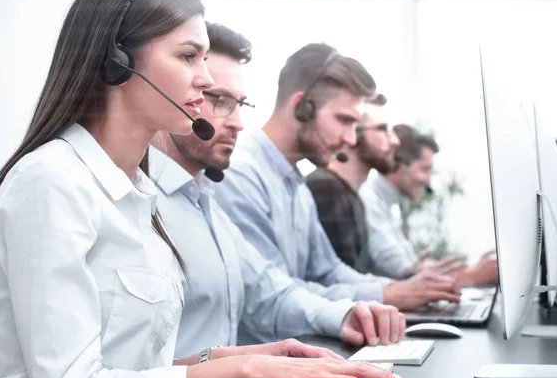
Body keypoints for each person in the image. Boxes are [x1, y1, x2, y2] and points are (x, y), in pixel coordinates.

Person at [0, 0, 401, 378]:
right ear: (117, 62)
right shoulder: (50, 183)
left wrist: (246, 363)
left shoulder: (137, 192)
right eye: (189, 56)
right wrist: (244, 371)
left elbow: (133, 377)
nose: (204, 77)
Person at [150, 22, 406, 359]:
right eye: (221, 101)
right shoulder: (225, 180)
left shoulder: (205, 198)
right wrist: (389, 294)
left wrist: (347, 312)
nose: (239, 122)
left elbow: (270, 290)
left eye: (240, 104)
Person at [213, 43, 462, 313]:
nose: (351, 139)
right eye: (344, 121)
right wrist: (387, 296)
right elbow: (272, 296)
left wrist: (396, 289)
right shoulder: (239, 178)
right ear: (301, 108)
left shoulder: (296, 185)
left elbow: (329, 271)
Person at [360, 124, 498, 285]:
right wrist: (472, 277)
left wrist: (463, 270)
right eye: (424, 169)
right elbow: (400, 270)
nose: (428, 180)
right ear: (399, 166)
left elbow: (410, 265)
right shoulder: (368, 200)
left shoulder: (389, 205)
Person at [306, 102, 401, 274]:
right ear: (352, 133)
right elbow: (335, 281)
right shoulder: (326, 190)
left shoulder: (351, 195)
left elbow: (360, 274)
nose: (395, 141)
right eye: (383, 129)